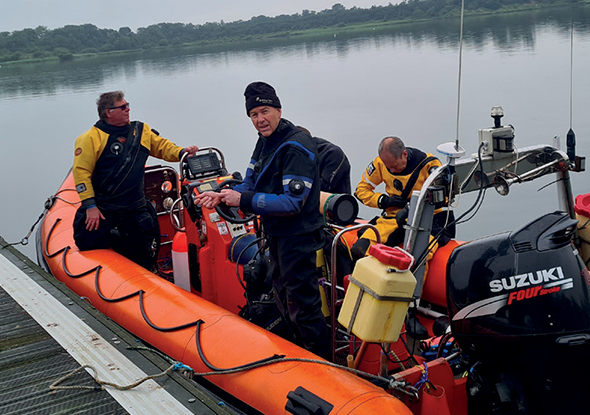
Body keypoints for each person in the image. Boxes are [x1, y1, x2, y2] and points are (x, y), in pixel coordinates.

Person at [194, 82, 331, 358]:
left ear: (278, 110)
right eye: (254, 115)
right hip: (277, 236)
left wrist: (242, 200)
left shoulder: (295, 146)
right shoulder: (265, 141)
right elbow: (251, 181)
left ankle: (323, 360)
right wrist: (222, 195)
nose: (260, 120)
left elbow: (293, 202)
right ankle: (297, 351)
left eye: (265, 111)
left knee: (303, 305)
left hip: (299, 238)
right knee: (281, 295)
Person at [72, 90, 198, 271]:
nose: (128, 110)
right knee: (86, 242)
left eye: (128, 105)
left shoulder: (141, 131)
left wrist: (182, 153)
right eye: (123, 107)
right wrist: (90, 206)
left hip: (134, 207)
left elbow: (162, 147)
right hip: (104, 207)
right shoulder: (90, 139)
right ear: (109, 112)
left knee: (142, 256)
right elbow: (81, 173)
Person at [352, 136, 445, 260]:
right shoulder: (380, 163)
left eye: (395, 166)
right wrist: (383, 201)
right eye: (388, 167)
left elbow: (443, 198)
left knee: (419, 258)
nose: (392, 170)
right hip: (393, 219)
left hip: (426, 220)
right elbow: (361, 190)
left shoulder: (429, 165)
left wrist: (410, 208)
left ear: (404, 154)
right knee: (360, 250)